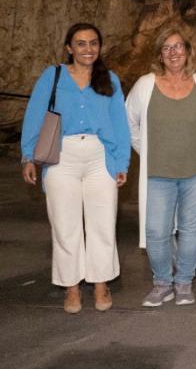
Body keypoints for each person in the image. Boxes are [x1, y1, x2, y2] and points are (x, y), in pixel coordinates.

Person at [20, 23, 131, 314]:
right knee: (65, 225)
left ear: (99, 47)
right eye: (80, 44)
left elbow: (120, 123)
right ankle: (71, 287)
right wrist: (28, 156)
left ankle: (101, 283)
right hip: (62, 155)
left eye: (93, 43)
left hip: (99, 156)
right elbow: (34, 116)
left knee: (102, 223)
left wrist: (121, 163)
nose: (88, 49)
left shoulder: (110, 79)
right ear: (69, 48)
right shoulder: (52, 76)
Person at [126, 27, 196, 307]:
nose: (173, 53)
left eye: (178, 47)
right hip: (158, 172)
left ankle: (184, 283)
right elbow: (129, 123)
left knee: (190, 228)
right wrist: (145, 150)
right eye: (167, 48)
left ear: (187, 51)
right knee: (156, 231)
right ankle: (162, 283)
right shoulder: (145, 84)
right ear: (159, 54)